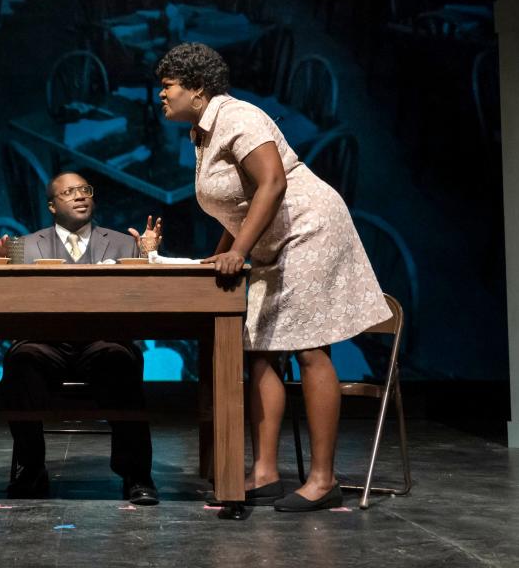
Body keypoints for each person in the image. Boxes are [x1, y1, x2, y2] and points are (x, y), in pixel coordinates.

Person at [156, 43, 391, 512]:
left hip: (307, 229)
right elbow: (236, 205)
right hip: (269, 240)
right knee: (260, 350)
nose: (160, 96)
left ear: (197, 89)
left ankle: (324, 481)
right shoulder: (202, 132)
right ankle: (265, 473)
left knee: (309, 347)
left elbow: (273, 182)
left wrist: (239, 251)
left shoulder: (239, 117)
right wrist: (219, 254)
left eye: (168, 87)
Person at [0, 171, 162, 506]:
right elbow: (11, 300)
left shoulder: (123, 243)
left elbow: (144, 298)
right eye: (69, 192)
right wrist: (1, 267)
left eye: (85, 190)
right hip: (45, 342)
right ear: (52, 206)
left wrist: (149, 258)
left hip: (102, 341)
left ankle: (136, 474)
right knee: (20, 360)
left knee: (121, 359)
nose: (80, 196)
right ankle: (30, 469)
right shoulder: (26, 245)